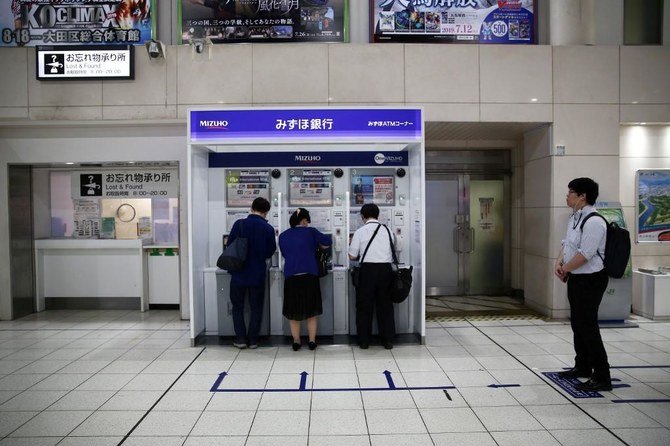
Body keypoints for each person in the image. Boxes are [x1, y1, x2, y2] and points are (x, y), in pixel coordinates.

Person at [554, 177, 611, 391]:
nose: (567, 196)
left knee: (588, 326)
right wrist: (559, 263)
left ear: (582, 196)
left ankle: (602, 376)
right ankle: (583, 366)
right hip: (577, 277)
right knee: (577, 323)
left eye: (570, 192)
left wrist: (566, 268)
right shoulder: (575, 218)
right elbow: (567, 244)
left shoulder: (595, 221)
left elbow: (586, 254)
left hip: (591, 279)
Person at [278, 208, 332, 351]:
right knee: (311, 311)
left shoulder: (283, 236)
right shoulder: (311, 232)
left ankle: (296, 341)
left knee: (293, 312)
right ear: (303, 221)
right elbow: (327, 242)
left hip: (292, 276)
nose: (307, 223)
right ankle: (312, 341)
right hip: (309, 275)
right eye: (307, 221)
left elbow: (285, 254)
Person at [227, 197, 276, 349]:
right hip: (257, 274)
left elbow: (229, 245)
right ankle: (253, 340)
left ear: (252, 208)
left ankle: (240, 339)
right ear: (266, 212)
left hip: (238, 273)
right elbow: (270, 251)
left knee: (237, 307)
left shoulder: (239, 224)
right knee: (256, 307)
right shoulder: (268, 229)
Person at [348, 203, 395, 349]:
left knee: (364, 307)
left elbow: (351, 256)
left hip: (367, 271)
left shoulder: (360, 232)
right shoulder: (388, 231)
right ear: (378, 215)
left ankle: (364, 341)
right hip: (386, 271)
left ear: (362, 216)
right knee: (385, 306)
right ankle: (387, 340)